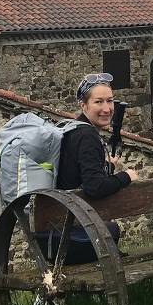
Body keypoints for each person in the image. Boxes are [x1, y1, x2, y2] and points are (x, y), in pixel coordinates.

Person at [44, 72, 137, 265]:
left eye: (110, 101)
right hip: (68, 239)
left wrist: (107, 166)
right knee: (111, 230)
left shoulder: (71, 129)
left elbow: (74, 172)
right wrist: (126, 176)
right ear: (83, 105)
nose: (107, 108)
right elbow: (94, 187)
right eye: (99, 102)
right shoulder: (88, 137)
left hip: (50, 235)